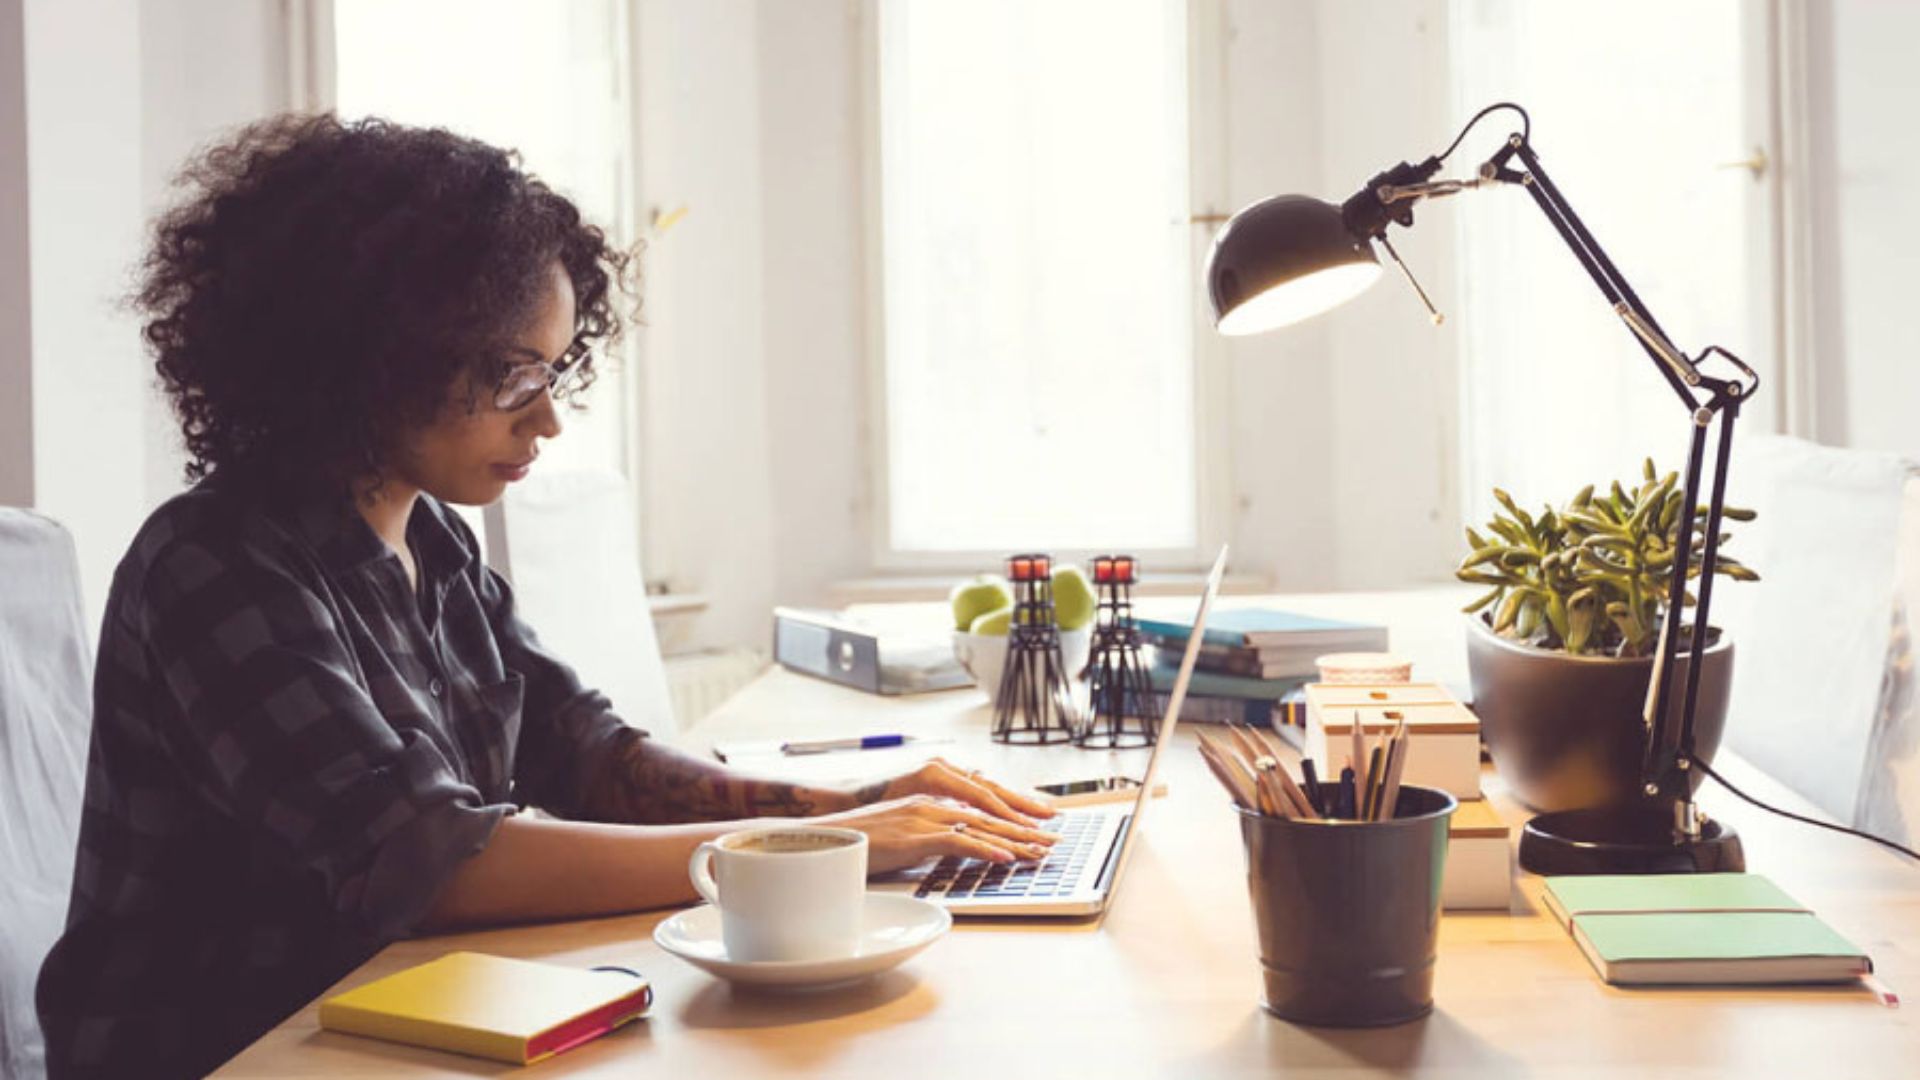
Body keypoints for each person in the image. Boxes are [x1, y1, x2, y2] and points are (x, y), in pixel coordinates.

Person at [34, 114, 1053, 1080]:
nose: (548, 421)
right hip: (231, 1053)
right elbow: (429, 865)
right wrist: (802, 853)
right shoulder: (214, 563)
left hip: (391, 1022)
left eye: (552, 373)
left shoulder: (431, 539)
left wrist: (859, 810)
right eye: (513, 377)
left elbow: (588, 756)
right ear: (375, 357)